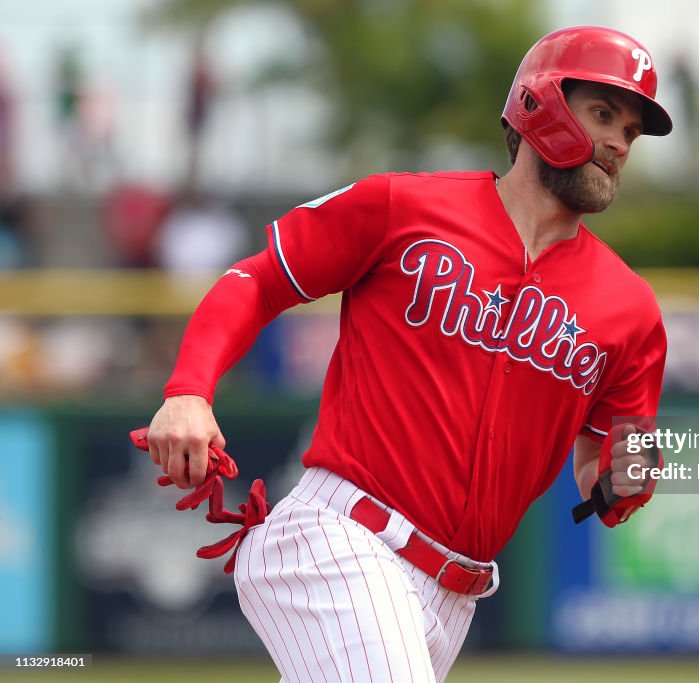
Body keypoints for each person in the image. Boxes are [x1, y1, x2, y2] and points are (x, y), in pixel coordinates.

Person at [143, 25, 672, 682]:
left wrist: (626, 475)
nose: (620, 142)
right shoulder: (405, 206)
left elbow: (606, 455)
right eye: (603, 114)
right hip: (339, 540)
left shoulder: (631, 309)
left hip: (453, 597)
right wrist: (189, 389)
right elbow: (256, 281)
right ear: (541, 105)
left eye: (631, 130)